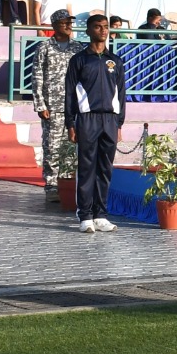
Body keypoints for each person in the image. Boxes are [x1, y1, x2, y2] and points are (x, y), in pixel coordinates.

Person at [65, 14, 127, 233]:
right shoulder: (79, 60)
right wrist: (70, 123)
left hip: (109, 120)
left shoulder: (115, 61)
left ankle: (101, 215)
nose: (103, 30)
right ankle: (85, 215)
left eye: (105, 27)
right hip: (87, 119)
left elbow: (121, 94)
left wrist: (119, 124)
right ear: (88, 31)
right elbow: (70, 93)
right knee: (86, 168)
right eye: (98, 27)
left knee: (105, 169)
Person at [28, 10, 83, 202]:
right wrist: (40, 104)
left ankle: (66, 182)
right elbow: (37, 77)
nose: (68, 26)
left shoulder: (77, 47)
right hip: (52, 106)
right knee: (52, 146)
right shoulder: (44, 47)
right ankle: (51, 185)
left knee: (70, 146)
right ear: (54, 25)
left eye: (70, 23)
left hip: (73, 106)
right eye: (64, 23)